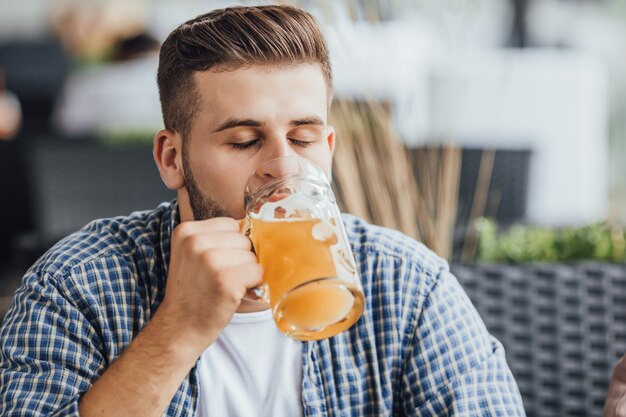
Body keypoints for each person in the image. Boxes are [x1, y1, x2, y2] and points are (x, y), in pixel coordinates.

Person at [0, 5, 526, 416]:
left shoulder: (408, 285)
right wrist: (178, 331)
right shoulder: (76, 284)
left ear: (330, 146)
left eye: (303, 136)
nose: (284, 166)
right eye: (245, 140)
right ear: (172, 157)